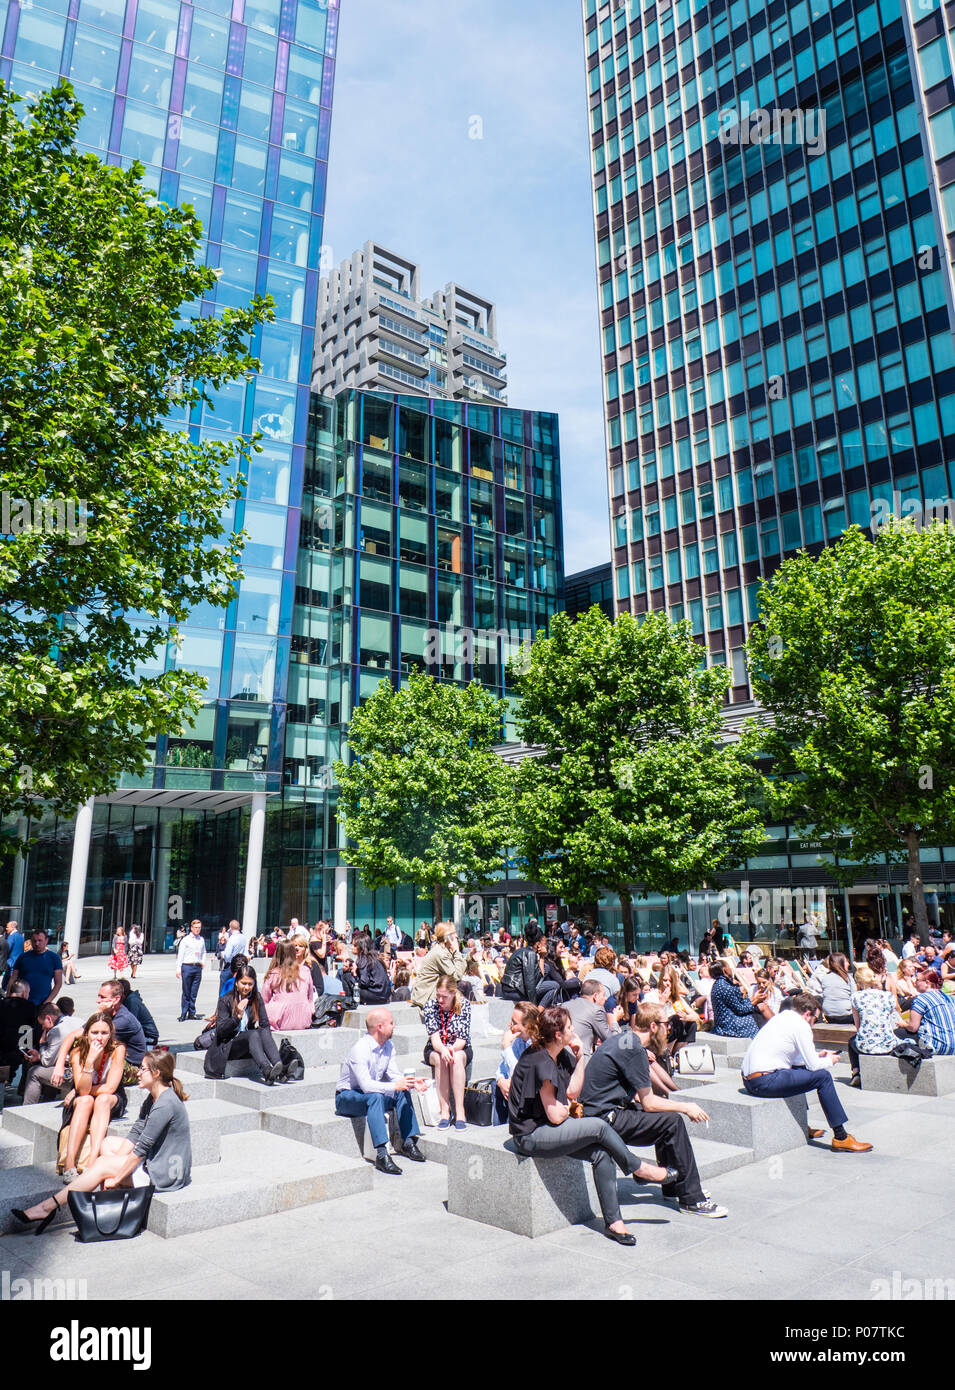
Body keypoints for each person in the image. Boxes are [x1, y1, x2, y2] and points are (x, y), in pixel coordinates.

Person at [507, 1005, 670, 1246]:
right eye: (570, 1027)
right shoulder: (539, 1060)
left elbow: (573, 1091)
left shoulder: (559, 1053)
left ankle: (614, 1223)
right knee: (598, 1126)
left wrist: (579, 1057)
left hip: (550, 1129)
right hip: (531, 1135)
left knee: (602, 1153)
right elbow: (555, 1115)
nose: (574, 1031)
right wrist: (567, 1109)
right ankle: (638, 1168)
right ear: (558, 1034)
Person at [13, 1050, 192, 1232]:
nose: (137, 1073)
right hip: (157, 1160)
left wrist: (116, 1178)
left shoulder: (165, 1104)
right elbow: (137, 1131)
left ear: (156, 1073)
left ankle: (47, 1207)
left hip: (165, 1173)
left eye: (143, 1069)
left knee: (102, 1164)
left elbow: (141, 1151)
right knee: (107, 1145)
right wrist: (115, 1166)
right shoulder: (155, 1096)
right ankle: (107, 1192)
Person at [580, 1002, 728, 1218]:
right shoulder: (633, 1049)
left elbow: (642, 1096)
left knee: (663, 1118)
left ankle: (672, 1186)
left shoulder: (625, 1040)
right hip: (603, 1119)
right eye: (666, 1024)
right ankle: (692, 1198)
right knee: (672, 1121)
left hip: (599, 1113)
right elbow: (649, 1102)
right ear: (652, 1026)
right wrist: (686, 1106)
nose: (669, 1029)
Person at [741, 992, 872, 1151]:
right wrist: (829, 1061)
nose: (813, 1024)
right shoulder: (801, 1025)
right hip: (764, 1081)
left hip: (750, 1080)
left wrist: (818, 1055)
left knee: (799, 1071)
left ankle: (804, 1125)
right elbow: (814, 1066)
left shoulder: (782, 1018)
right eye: (815, 1019)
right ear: (807, 1014)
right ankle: (841, 1137)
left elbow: (798, 1061)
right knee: (823, 1077)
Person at [335, 1009, 428, 1173]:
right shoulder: (361, 1049)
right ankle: (382, 1155)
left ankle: (408, 1142)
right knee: (376, 1097)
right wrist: (394, 1086)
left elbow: (393, 1075)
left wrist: (412, 1082)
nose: (394, 1026)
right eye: (391, 1023)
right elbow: (366, 1086)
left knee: (401, 1090)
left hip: (370, 1095)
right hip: (347, 1098)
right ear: (380, 1027)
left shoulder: (388, 1046)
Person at [58, 1011, 128, 1180]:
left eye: (104, 1033)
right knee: (85, 1101)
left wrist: (80, 1089)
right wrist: (89, 1061)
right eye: (94, 1032)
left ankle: (92, 1161)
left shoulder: (117, 1049)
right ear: (86, 1033)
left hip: (110, 1098)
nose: (99, 1037)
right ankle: (69, 1165)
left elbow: (110, 1087)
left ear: (110, 1034)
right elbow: (83, 1092)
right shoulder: (77, 1053)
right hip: (84, 1098)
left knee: (101, 1099)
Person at [51, 979, 148, 1086]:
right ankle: (78, 1080)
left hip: (132, 1068)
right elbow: (73, 1035)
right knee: (79, 1043)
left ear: (116, 999)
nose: (98, 1001)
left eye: (102, 997)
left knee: (88, 1042)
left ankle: (80, 1086)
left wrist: (99, 1012)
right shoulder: (107, 1015)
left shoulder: (124, 1020)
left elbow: (87, 1032)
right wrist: (59, 1065)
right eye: (98, 996)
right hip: (113, 1061)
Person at [204, 964, 289, 1085]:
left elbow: (264, 1024)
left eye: (250, 984)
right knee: (253, 1034)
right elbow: (221, 1031)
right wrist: (237, 1017)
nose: (246, 987)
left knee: (263, 1031)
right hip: (229, 1045)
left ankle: (278, 1067)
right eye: (243, 983)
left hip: (249, 1042)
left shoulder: (256, 998)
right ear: (236, 982)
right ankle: (266, 1070)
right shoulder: (225, 1000)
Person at [422, 977, 472, 1129]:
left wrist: (451, 1049)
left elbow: (462, 1039)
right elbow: (435, 1038)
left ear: (453, 993)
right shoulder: (431, 1006)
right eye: (438, 995)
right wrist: (443, 1049)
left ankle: (460, 1110)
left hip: (459, 1047)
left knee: (455, 1058)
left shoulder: (464, 1005)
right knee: (440, 1058)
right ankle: (444, 1110)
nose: (440, 999)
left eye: (444, 996)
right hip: (436, 1048)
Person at [848, 965, 903, 1085]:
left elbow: (858, 1027)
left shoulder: (856, 997)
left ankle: (856, 1072)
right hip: (888, 1043)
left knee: (851, 1041)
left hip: (866, 1045)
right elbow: (889, 1018)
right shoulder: (888, 996)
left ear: (858, 982)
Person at [494, 1001, 539, 1124]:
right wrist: (501, 1081)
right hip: (517, 1087)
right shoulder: (520, 1041)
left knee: (513, 1089)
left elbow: (521, 1076)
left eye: (514, 1023)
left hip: (532, 1095)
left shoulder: (536, 1045)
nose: (510, 1025)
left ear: (528, 1027)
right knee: (496, 1085)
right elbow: (501, 1069)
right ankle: (499, 1129)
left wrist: (506, 1047)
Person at [21, 1002, 75, 1105]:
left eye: (42, 1024)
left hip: (72, 1073)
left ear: (49, 1018)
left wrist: (43, 1044)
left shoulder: (56, 1031)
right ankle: (47, 1100)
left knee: (34, 1072)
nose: (42, 1028)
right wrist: (39, 1056)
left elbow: (47, 1062)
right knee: (48, 1071)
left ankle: (27, 1109)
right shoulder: (76, 1020)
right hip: (84, 1069)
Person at [411, 922, 466, 1009]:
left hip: (430, 993)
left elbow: (459, 969)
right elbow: (456, 976)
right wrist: (457, 951)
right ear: (448, 937)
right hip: (426, 997)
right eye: (454, 933)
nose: (456, 936)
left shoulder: (442, 950)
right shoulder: (440, 953)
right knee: (463, 985)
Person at [262, 939, 314, 1030]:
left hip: (280, 1020)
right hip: (303, 1018)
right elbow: (310, 997)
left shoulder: (273, 974)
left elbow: (264, 999)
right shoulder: (305, 971)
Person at [7, 928, 62, 1008]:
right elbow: (13, 978)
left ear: (46, 940)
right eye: (34, 941)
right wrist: (8, 997)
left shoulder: (54, 958)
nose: (37, 943)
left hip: (42, 1003)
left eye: (40, 940)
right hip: (21, 1002)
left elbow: (58, 983)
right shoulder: (23, 957)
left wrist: (47, 1002)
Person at [905, 971, 955, 1054]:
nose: (915, 983)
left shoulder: (921, 998)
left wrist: (903, 1024)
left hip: (936, 1047)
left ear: (927, 983)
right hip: (953, 1046)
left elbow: (913, 1027)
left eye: (917, 980)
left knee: (900, 1033)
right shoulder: (949, 998)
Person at [710, 958, 761, 1038]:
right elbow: (741, 1010)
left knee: (761, 1007)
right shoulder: (725, 987)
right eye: (729, 967)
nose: (731, 969)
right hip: (729, 1025)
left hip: (724, 1022)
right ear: (724, 970)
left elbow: (738, 1003)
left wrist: (754, 998)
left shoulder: (719, 984)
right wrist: (756, 1000)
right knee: (761, 1009)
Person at [565, 978, 615, 1057]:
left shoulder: (565, 1005)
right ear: (595, 996)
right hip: (578, 1057)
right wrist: (615, 1020)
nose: (606, 998)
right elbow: (611, 1040)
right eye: (603, 995)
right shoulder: (596, 1010)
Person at [808, 953, 854, 1024]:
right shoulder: (848, 978)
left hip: (829, 1015)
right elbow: (854, 997)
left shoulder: (825, 977)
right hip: (846, 1015)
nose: (848, 964)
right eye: (846, 961)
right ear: (840, 963)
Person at [176, 919, 207, 1022]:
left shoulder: (201, 940)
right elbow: (180, 955)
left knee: (194, 992)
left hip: (197, 967)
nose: (197, 929)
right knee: (186, 991)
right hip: (187, 966)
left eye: (199, 927)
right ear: (191, 928)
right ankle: (184, 1013)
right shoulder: (186, 940)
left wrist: (202, 961)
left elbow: (204, 952)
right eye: (196, 927)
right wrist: (178, 968)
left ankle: (192, 1013)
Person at [118, 978, 159, 1049]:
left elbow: (131, 1023)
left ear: (122, 994)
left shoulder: (132, 1001)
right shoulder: (128, 999)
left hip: (148, 1036)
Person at [2, 920, 24, 991]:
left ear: (13, 927)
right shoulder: (20, 936)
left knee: (7, 984)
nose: (6, 929)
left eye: (7, 927)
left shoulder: (11, 936)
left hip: (11, 963)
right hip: (18, 962)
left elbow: (7, 948)